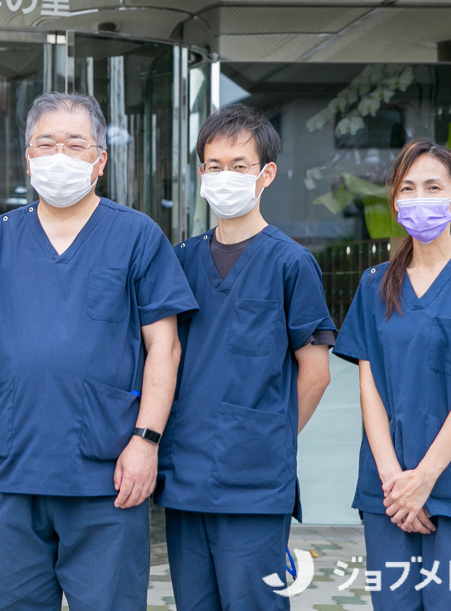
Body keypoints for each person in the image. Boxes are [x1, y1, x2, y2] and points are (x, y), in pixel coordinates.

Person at [0, 92, 198, 610]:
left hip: (107, 476)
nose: (58, 155)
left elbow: (165, 347)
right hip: (12, 471)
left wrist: (146, 442)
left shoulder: (136, 236)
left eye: (74, 143)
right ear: (27, 156)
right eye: (46, 143)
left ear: (100, 160)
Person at [154, 104, 335, 610]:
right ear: (200, 173)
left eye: (239, 165)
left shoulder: (291, 263)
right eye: (214, 165)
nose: (224, 176)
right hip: (185, 475)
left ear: (266, 174)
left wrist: (264, 438)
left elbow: (316, 375)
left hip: (255, 483)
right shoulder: (181, 259)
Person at [334, 138, 451, 610]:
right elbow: (369, 387)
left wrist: (425, 480)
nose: (419, 199)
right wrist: (396, 482)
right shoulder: (374, 285)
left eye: (433, 187)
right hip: (388, 494)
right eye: (408, 188)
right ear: (394, 201)